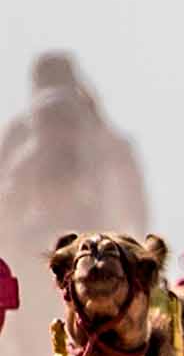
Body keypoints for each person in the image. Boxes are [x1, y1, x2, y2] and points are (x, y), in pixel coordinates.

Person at [0, 52, 148, 254]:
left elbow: (131, 195)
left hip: (90, 229)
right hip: (35, 233)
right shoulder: (23, 134)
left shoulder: (97, 131)